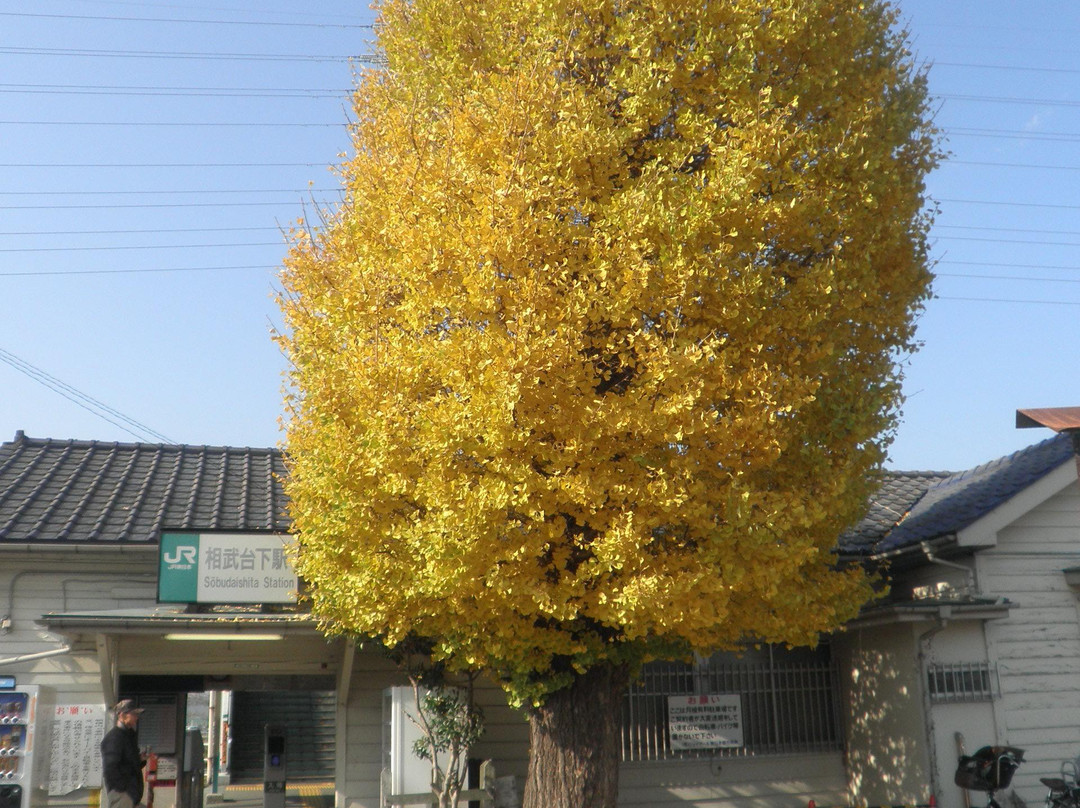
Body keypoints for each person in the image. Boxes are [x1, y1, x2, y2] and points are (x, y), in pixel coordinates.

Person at [100, 699, 147, 808]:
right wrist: (123, 789)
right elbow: (110, 768)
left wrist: (140, 760)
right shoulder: (114, 737)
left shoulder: (129, 735)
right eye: (134, 714)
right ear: (122, 715)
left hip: (131, 794)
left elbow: (127, 764)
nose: (137, 717)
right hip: (123, 794)